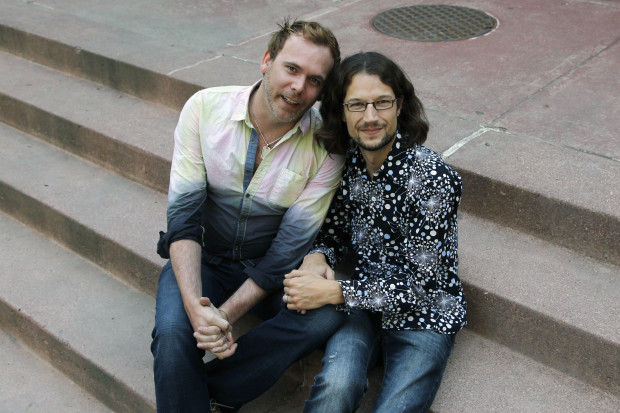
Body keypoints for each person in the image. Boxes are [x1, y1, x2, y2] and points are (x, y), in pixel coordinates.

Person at [151, 18, 346, 412]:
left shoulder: (327, 144)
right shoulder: (204, 109)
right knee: (174, 332)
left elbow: (288, 248)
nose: (298, 88)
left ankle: (212, 391)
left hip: (267, 266)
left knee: (323, 318)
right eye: (292, 69)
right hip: (202, 256)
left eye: (314, 80)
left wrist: (221, 316)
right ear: (266, 61)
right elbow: (184, 219)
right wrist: (195, 306)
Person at [283, 51, 467, 413]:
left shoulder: (430, 178)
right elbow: (333, 231)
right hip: (361, 305)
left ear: (399, 105)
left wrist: (334, 290)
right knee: (336, 386)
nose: (370, 117)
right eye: (357, 105)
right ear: (342, 110)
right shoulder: (351, 160)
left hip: (424, 314)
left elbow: (420, 286)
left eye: (381, 102)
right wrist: (316, 257)